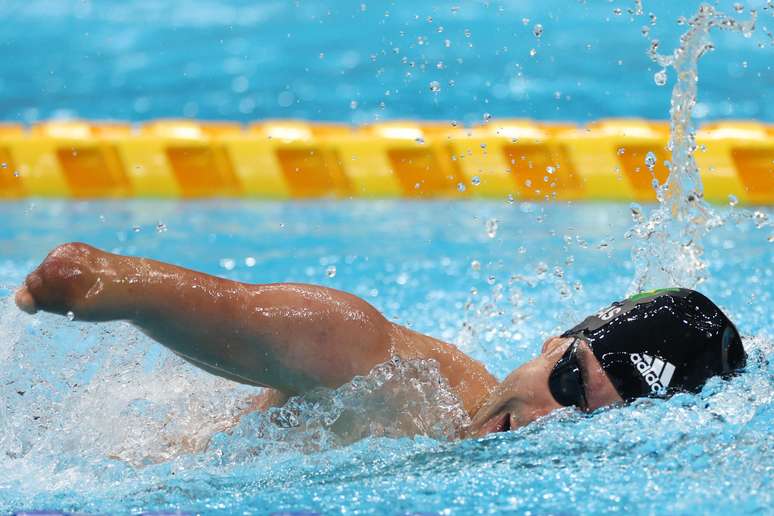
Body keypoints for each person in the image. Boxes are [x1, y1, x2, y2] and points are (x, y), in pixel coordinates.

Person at [14, 243, 746, 438]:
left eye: (590, 423)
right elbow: (240, 318)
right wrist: (112, 282)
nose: (549, 421)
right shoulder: (382, 373)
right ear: (556, 342)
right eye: (568, 384)